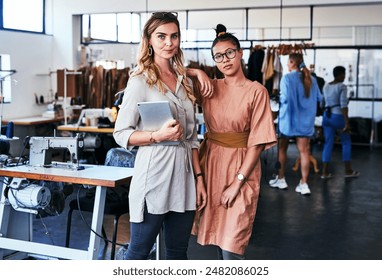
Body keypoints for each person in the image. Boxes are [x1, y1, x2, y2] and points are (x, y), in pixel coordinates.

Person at [113, 11, 211, 260]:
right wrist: (156, 135)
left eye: (174, 36)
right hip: (153, 176)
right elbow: (121, 133)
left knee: (178, 253)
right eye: (162, 36)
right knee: (139, 252)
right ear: (149, 40)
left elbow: (191, 139)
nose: (169, 43)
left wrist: (199, 179)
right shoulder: (139, 82)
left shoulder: (184, 81)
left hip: (185, 178)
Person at [190, 24, 277, 260]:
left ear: (240, 53)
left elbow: (257, 143)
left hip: (242, 167)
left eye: (229, 53)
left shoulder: (256, 91)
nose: (225, 60)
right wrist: (197, 72)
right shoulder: (209, 87)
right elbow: (170, 72)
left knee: (232, 244)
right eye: (218, 56)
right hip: (212, 165)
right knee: (218, 239)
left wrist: (238, 182)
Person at [269, 53, 322, 195]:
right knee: (304, 152)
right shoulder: (312, 79)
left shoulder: (286, 78)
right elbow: (319, 98)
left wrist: (275, 99)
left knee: (282, 150)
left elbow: (284, 99)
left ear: (292, 63)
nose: (287, 65)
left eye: (288, 62)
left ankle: (281, 179)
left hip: (287, 121)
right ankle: (304, 184)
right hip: (305, 123)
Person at [321, 66, 360, 178]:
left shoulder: (326, 86)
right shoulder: (342, 86)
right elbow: (343, 105)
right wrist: (347, 123)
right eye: (344, 74)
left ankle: (324, 173)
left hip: (326, 116)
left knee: (328, 143)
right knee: (346, 142)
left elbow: (322, 104)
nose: (345, 76)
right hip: (338, 117)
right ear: (339, 74)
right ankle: (348, 171)